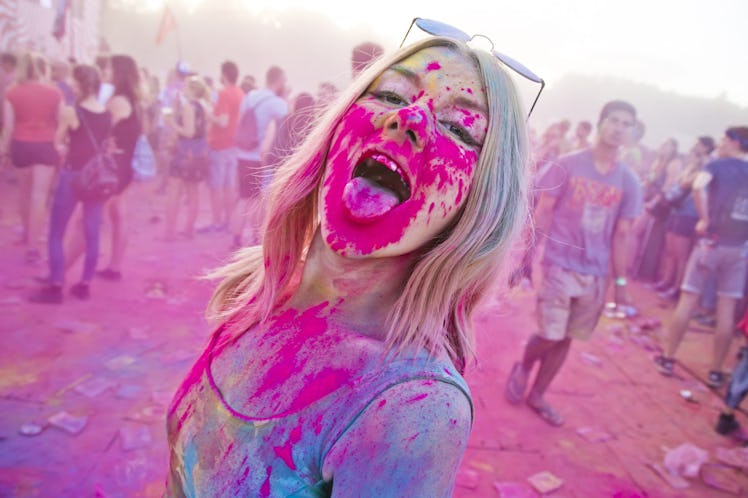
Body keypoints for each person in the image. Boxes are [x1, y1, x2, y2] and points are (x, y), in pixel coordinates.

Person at [166, 35, 531, 496]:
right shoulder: (261, 290)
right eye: (391, 95)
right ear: (338, 127)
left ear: (477, 203)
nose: (408, 117)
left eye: (459, 128)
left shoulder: (412, 407)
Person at [505, 100, 643, 427]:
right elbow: (543, 213)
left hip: (595, 273)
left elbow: (622, 236)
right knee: (551, 334)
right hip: (559, 263)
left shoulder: (630, 182)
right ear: (600, 123)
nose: (619, 127)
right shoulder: (567, 165)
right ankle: (524, 366)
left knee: (567, 336)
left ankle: (539, 393)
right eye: (614, 120)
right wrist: (528, 257)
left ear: (632, 133)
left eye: (626, 123)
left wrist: (619, 285)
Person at [654, 126, 748, 388]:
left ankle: (668, 357)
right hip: (738, 247)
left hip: (711, 242)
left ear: (734, 142)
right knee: (726, 310)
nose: (720, 143)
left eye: (723, 139)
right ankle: (716, 370)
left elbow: (697, 186)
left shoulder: (718, 166)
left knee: (688, 299)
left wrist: (705, 218)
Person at [29, 64, 111, 303]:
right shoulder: (106, 113)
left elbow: (57, 141)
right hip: (96, 178)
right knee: (92, 233)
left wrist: (64, 146)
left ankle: (55, 285)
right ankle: (85, 284)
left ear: (79, 84)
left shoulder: (71, 111)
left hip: (73, 175)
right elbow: (105, 145)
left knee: (57, 232)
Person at [1, 52, 63, 264]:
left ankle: (27, 232)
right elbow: (59, 122)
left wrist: (5, 151)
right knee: (39, 197)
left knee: (24, 193)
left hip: (20, 144)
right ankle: (33, 246)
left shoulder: (12, 92)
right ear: (43, 69)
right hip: (45, 145)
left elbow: (8, 127)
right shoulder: (54, 93)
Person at [94, 54, 142, 281]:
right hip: (124, 164)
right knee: (117, 216)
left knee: (93, 217)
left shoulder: (118, 101)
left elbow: (99, 133)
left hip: (113, 167)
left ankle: (81, 272)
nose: (105, 71)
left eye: (109, 68)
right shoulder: (133, 101)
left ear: (118, 72)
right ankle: (114, 266)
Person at [230, 65, 288, 248]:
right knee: (256, 200)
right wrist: (285, 98)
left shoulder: (250, 96)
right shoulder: (276, 103)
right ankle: (256, 239)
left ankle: (236, 239)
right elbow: (287, 122)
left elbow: (239, 123)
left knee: (243, 198)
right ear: (278, 81)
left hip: (242, 153)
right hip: (259, 157)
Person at [163, 76, 211, 241]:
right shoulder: (204, 106)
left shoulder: (189, 106)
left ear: (191, 89)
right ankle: (189, 229)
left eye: (186, 87)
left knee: (174, 190)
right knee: (193, 191)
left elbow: (189, 132)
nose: (183, 89)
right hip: (199, 152)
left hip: (184, 153)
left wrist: (171, 123)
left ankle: (170, 232)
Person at [201, 60, 243, 233]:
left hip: (219, 145)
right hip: (234, 145)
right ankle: (227, 221)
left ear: (224, 74)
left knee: (216, 187)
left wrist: (209, 115)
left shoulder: (223, 94)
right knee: (228, 187)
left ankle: (217, 222)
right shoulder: (241, 93)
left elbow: (223, 121)